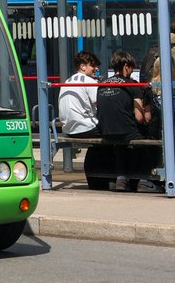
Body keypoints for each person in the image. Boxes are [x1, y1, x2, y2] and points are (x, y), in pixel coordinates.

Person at [96, 50, 153, 191]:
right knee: (149, 139)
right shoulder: (133, 85)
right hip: (125, 131)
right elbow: (139, 117)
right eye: (132, 69)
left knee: (119, 144)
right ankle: (144, 180)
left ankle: (121, 179)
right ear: (126, 66)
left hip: (105, 131)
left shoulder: (102, 84)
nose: (132, 72)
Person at [58, 50, 101, 138]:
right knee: (115, 131)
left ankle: (93, 152)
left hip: (68, 130)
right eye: (93, 65)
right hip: (86, 127)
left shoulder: (67, 81)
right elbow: (100, 106)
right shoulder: (90, 81)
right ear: (82, 67)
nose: (97, 68)